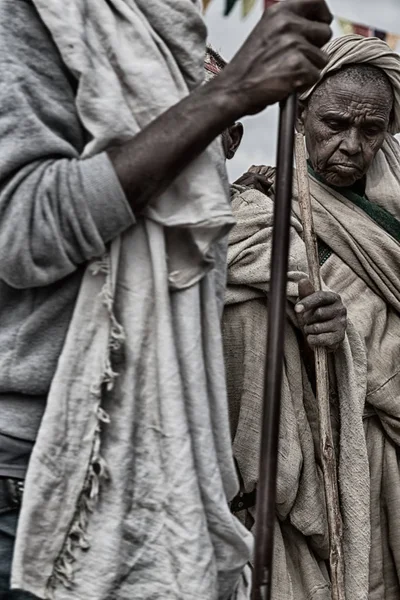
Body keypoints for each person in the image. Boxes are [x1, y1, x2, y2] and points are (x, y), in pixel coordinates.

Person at [0, 0, 332, 597]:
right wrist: (228, 93)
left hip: (160, 460)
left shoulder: (162, 33)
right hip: (39, 472)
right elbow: (21, 232)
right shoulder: (32, 16)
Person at [223, 33, 400, 600]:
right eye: (335, 124)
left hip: (385, 459)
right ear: (301, 115)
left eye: (370, 130)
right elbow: (234, 293)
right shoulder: (260, 206)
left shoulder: (391, 218)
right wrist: (301, 317)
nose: (352, 145)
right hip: (302, 445)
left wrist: (352, 331)